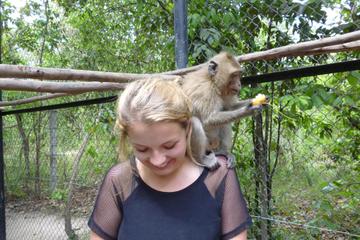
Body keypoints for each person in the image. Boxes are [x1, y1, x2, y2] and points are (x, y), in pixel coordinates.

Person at [88, 77, 252, 240]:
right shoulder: (120, 180)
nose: (158, 160)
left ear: (188, 129)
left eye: (169, 146)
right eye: (142, 149)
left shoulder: (218, 175)